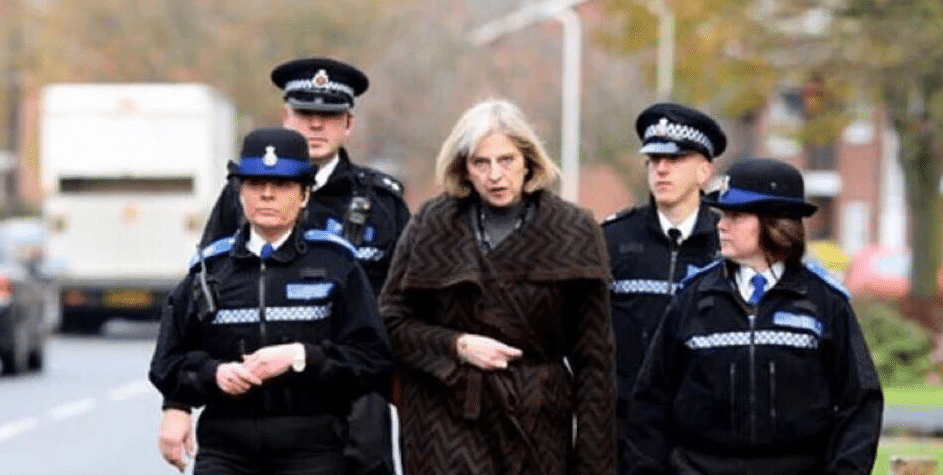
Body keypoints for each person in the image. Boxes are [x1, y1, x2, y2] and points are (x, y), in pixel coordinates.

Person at [163, 57, 408, 475]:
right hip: (250, 406)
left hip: (358, 394)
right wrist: (178, 402)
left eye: (329, 117)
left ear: (348, 123)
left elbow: (405, 305)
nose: (316, 125)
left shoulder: (382, 202)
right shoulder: (241, 198)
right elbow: (201, 300)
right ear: (286, 116)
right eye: (305, 113)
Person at [379, 99, 616, 475]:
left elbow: (595, 359)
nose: (495, 175)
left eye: (506, 160)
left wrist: (594, 464)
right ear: (464, 168)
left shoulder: (572, 229)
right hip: (446, 420)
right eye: (481, 163)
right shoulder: (431, 225)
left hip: (536, 422)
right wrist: (457, 346)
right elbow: (391, 321)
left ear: (528, 161)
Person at [624, 158, 883, 475]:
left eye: (736, 216)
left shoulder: (826, 303)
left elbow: (860, 404)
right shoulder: (691, 298)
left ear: (776, 223)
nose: (721, 225)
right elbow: (650, 401)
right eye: (722, 215)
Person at [601, 103, 725, 472]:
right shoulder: (612, 240)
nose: (661, 169)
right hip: (624, 431)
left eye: (676, 159)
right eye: (654, 159)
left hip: (704, 435)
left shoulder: (728, 243)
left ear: (704, 171)